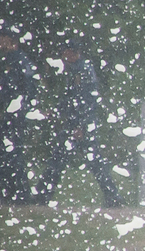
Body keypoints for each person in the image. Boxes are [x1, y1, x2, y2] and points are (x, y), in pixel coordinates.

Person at [40, 39, 123, 208]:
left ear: (72, 52)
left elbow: (85, 101)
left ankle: (43, 196)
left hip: (79, 124)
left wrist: (81, 126)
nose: (63, 56)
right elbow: (70, 98)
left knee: (67, 161)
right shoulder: (76, 69)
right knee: (80, 161)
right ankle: (112, 197)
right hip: (76, 122)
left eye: (65, 52)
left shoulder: (82, 71)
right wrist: (56, 111)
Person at [0, 27, 40, 204]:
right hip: (17, 110)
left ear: (10, 40)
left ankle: (18, 192)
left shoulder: (15, 60)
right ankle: (14, 191)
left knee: (10, 151)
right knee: (7, 150)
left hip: (15, 111)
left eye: (1, 39)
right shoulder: (18, 59)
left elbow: (10, 88)